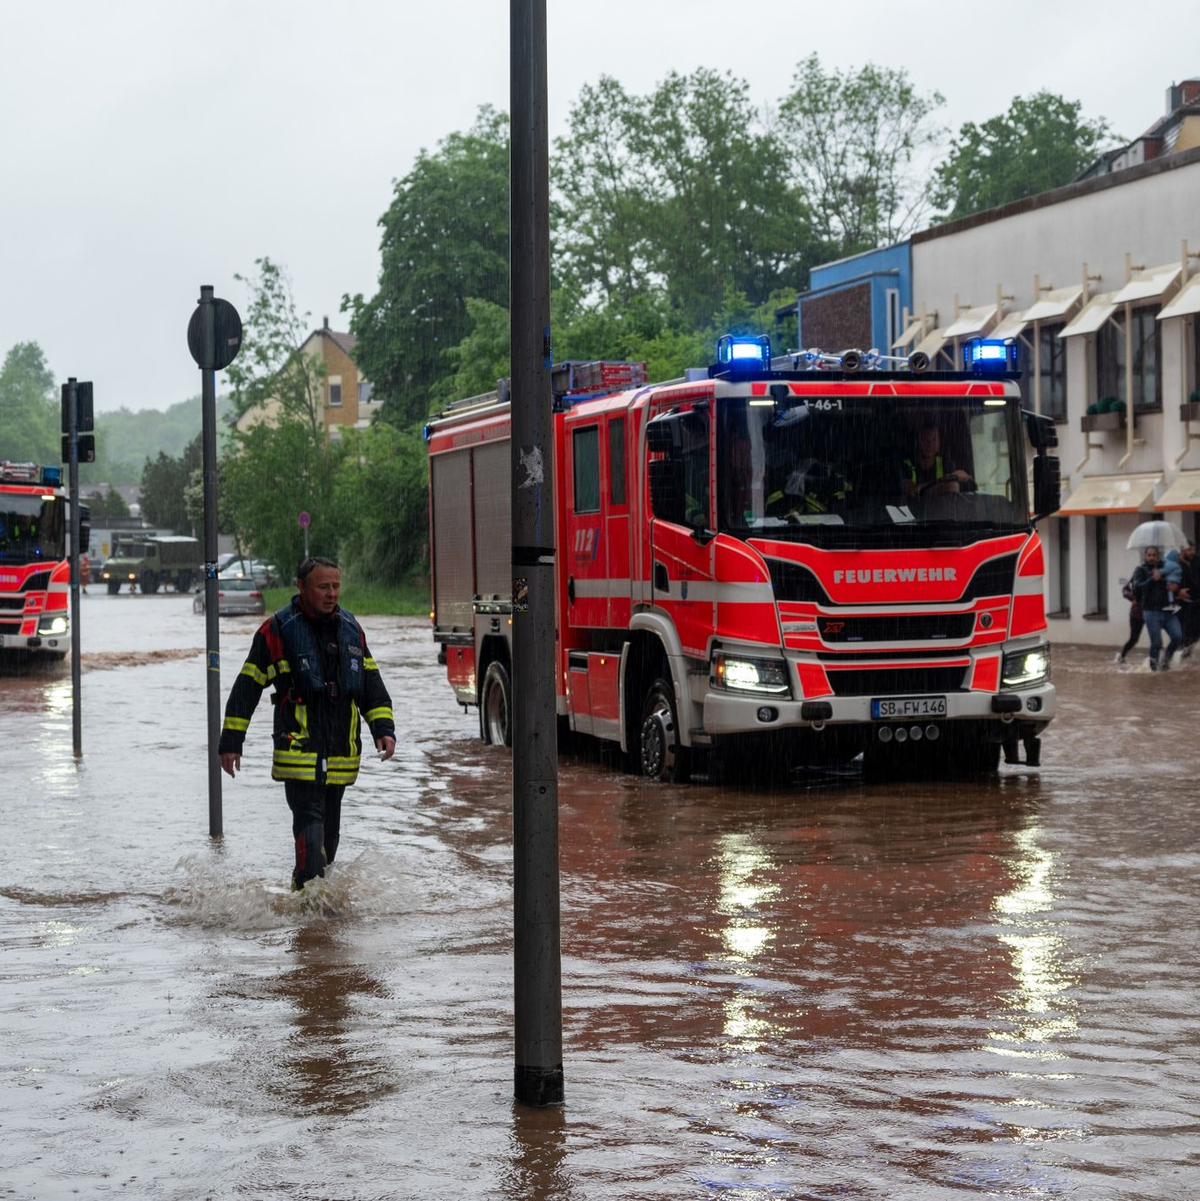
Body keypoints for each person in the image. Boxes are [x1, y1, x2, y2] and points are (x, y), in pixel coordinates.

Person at [218, 556, 396, 889]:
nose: (331, 594)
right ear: (301, 587)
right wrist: (231, 742)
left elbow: (371, 683)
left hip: (341, 753)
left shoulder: (351, 628)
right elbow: (247, 686)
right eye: (323, 587)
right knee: (311, 834)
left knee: (329, 841)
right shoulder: (277, 630)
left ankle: (306, 901)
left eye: (336, 586)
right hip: (299, 752)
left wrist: (383, 729)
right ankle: (314, 919)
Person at [1129, 545, 1182, 671]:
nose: (1152, 557)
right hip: (1151, 611)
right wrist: (1153, 579)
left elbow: (1174, 582)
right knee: (1157, 643)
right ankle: (1153, 671)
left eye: (1154, 555)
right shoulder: (1140, 570)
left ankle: (1165, 663)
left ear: (1158, 556)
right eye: (1149, 555)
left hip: (1168, 610)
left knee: (1177, 637)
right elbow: (1137, 589)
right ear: (1145, 556)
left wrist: (1176, 588)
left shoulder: (1165, 567)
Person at [903, 423, 972, 497]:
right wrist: (950, 478)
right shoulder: (906, 465)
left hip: (942, 507)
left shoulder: (946, 464)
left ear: (939, 444)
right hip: (914, 507)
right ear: (917, 443)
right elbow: (913, 490)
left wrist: (958, 477)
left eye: (934, 440)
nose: (930, 444)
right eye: (924, 439)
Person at [1171, 541, 1199, 658]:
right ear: (1182, 550)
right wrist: (1178, 593)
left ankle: (1186, 660)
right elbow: (1167, 586)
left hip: (1196, 604)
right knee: (1184, 636)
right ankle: (1178, 661)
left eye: (1193, 549)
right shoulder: (1174, 565)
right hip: (1182, 605)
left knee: (1196, 634)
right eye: (1189, 550)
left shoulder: (1197, 561)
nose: (1192, 552)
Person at [1114, 575, 1144, 663]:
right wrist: (1132, 597)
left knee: (1156, 638)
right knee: (1134, 639)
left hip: (1154, 613)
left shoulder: (1161, 572)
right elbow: (1125, 589)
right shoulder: (1138, 574)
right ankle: (1122, 656)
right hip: (1137, 614)